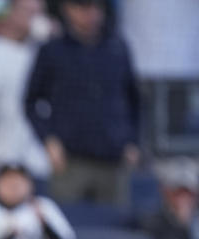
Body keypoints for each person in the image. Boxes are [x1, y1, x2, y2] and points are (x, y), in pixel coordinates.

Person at [24, 0, 140, 206]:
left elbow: (135, 100)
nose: (91, 14)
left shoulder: (117, 48)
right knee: (68, 227)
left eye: (96, 7)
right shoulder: (53, 50)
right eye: (84, 7)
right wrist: (48, 139)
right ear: (68, 9)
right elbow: (31, 101)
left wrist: (132, 141)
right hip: (69, 161)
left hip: (112, 159)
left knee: (113, 228)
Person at [0, 0, 51, 180]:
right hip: (4, 160)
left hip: (40, 161)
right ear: (9, 13)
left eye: (38, 11)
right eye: (27, 11)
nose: (34, 17)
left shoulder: (46, 52)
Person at [143, 157, 199, 239]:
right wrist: (180, 225)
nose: (184, 199)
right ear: (166, 193)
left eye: (189, 193)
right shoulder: (153, 223)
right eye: (178, 193)